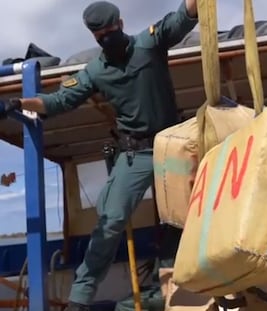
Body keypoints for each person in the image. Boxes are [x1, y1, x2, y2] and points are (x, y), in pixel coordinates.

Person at [0, 1, 198, 310]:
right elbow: (58, 101)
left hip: (172, 147)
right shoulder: (95, 71)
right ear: (94, 37)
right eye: (101, 34)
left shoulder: (150, 42)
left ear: (121, 23)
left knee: (198, 208)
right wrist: (17, 103)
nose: (107, 37)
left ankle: (216, 280)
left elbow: (186, 15)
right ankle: (80, 299)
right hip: (136, 155)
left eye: (110, 30)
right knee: (110, 220)